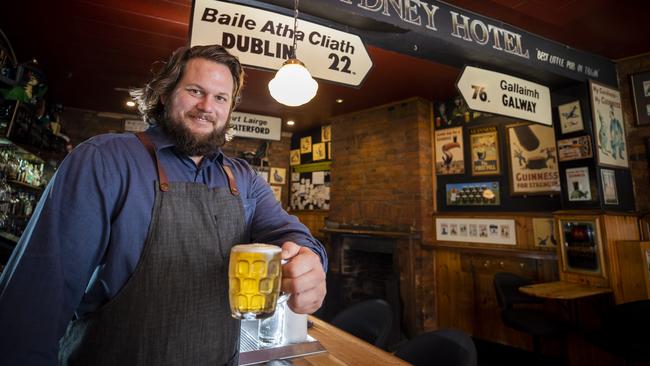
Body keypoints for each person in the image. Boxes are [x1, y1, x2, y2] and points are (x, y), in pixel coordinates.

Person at [0, 45, 327, 365]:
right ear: (164, 94)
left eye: (220, 97)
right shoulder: (105, 160)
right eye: (195, 91)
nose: (206, 106)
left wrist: (309, 259)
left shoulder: (243, 178)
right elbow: (33, 307)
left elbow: (290, 233)